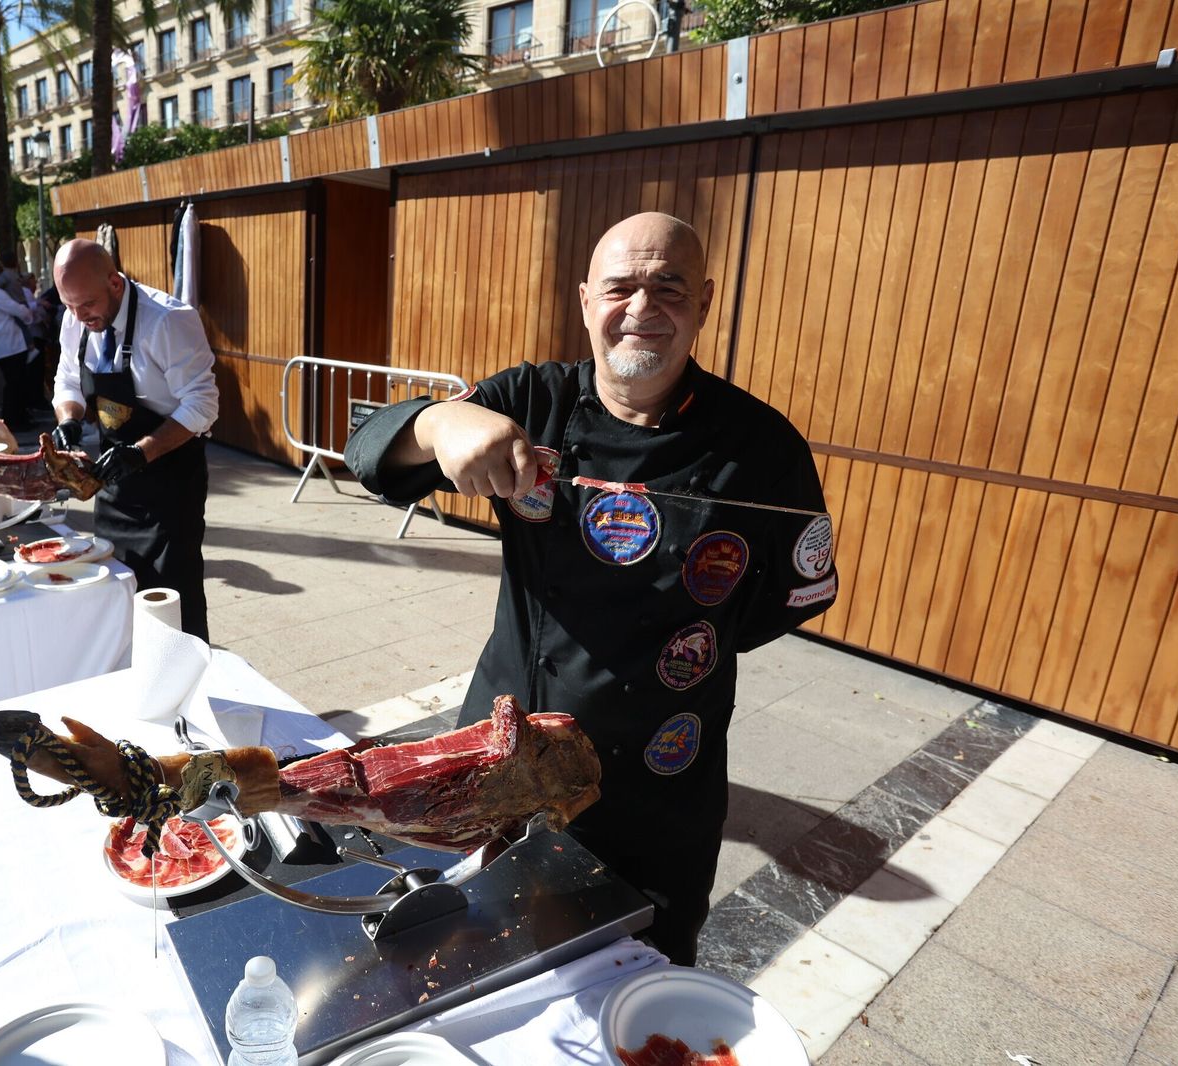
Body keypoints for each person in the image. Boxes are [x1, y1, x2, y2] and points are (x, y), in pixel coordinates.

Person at [343, 213, 839, 966]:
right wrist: (443, 423)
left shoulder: (764, 447)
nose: (642, 309)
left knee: (642, 971)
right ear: (584, 301)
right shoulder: (531, 400)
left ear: (703, 302)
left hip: (662, 777)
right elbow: (370, 452)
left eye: (668, 288)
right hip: (504, 754)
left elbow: (791, 595)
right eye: (620, 288)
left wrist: (679, 651)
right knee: (475, 955)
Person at [50, 239, 218, 641]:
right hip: (115, 481)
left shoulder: (168, 321)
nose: (77, 315)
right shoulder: (76, 317)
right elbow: (68, 380)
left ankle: (189, 688)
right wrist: (70, 419)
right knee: (117, 592)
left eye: (86, 304)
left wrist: (142, 452)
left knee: (172, 601)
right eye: (68, 305)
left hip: (172, 479)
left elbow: (203, 404)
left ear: (115, 283)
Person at [0, 261, 36, 430]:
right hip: (11, 345)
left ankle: (17, 418)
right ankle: (15, 421)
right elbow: (19, 310)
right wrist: (28, 314)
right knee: (16, 385)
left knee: (13, 384)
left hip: (2, 345)